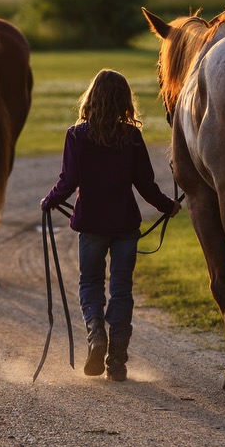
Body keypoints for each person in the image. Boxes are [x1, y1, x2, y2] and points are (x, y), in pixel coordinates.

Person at [41, 69, 181, 381]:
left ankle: (96, 336)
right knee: (121, 288)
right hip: (124, 226)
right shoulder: (131, 136)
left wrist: (49, 200)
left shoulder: (76, 135)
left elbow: (68, 182)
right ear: (124, 102)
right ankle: (117, 356)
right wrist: (168, 206)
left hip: (91, 225)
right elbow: (145, 184)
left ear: (92, 98)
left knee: (90, 283)